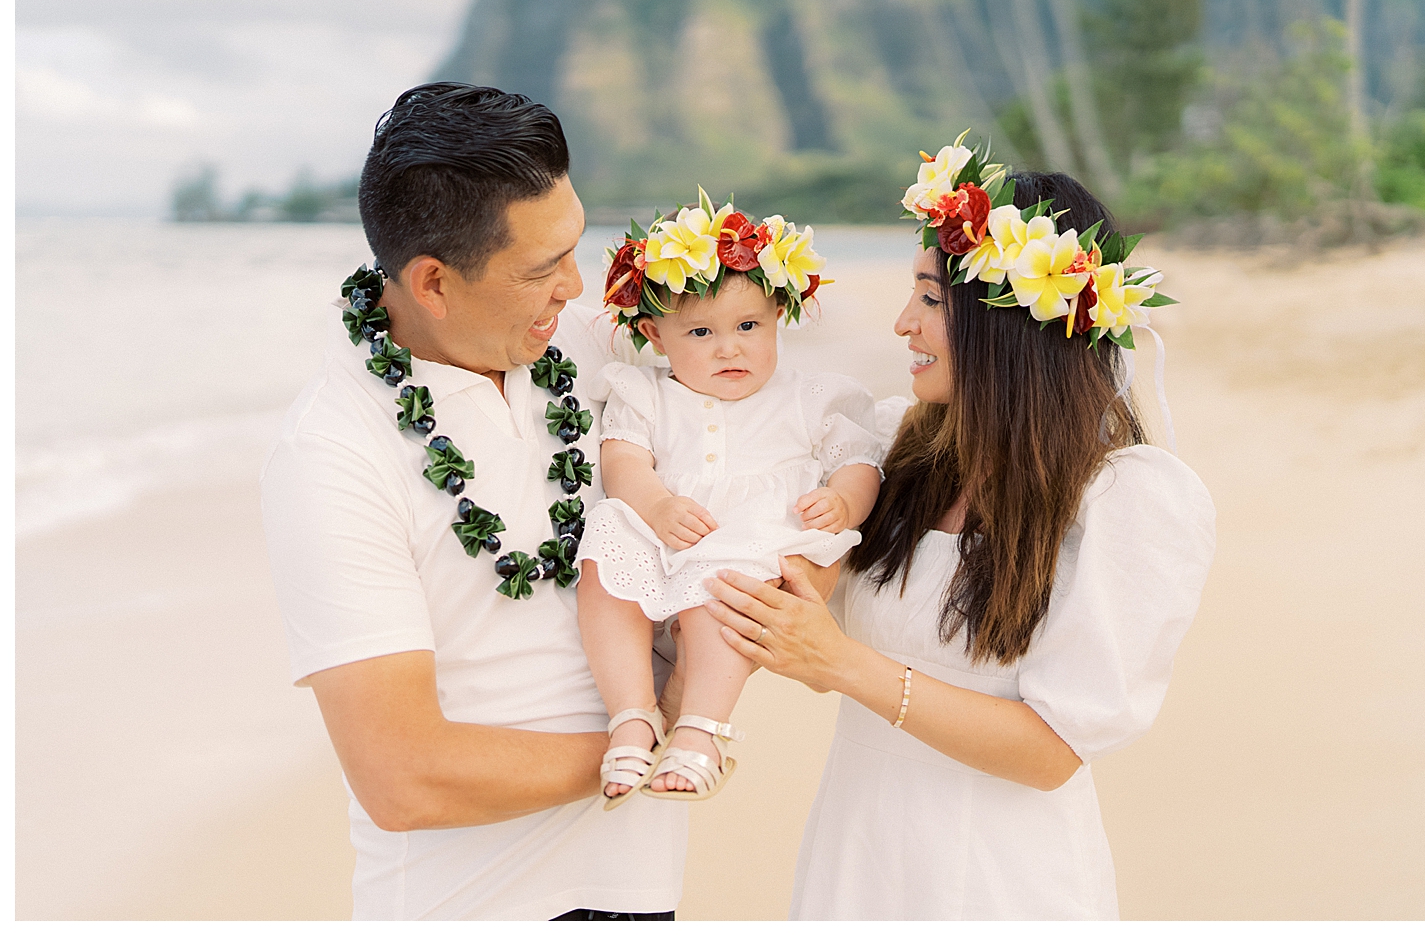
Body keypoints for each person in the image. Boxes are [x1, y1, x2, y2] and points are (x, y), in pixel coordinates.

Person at [699, 138, 1217, 919]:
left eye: (931, 300)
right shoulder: (893, 455)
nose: (903, 323)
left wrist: (841, 664)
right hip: (859, 853)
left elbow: (1052, 752)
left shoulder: (1122, 500)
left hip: (999, 878)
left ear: (1011, 326)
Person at [259, 83, 690, 920]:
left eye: (574, 245)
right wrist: (663, 730)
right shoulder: (332, 452)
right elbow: (403, 775)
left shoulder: (583, 348)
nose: (576, 284)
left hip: (638, 884)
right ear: (432, 282)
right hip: (475, 906)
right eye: (540, 269)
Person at [574, 197, 883, 805]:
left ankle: (701, 727)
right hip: (667, 529)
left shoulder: (810, 398)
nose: (729, 349)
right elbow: (623, 461)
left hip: (752, 538)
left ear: (777, 317)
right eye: (700, 332)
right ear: (653, 335)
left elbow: (860, 461)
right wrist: (657, 506)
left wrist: (844, 503)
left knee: (728, 586)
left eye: (749, 326)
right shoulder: (646, 394)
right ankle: (632, 712)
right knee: (606, 551)